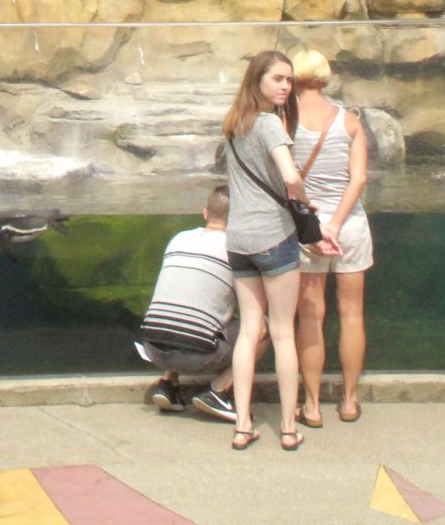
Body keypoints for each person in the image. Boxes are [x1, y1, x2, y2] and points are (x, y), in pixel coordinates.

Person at [221, 49, 333, 452]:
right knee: (283, 332)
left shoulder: (234, 123)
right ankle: (287, 427)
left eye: (289, 80)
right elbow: (289, 176)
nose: (286, 86)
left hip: (238, 238)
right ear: (258, 81)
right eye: (277, 79)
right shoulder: (269, 123)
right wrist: (306, 203)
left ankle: (242, 425)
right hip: (273, 236)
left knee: (248, 332)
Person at [288, 49, 372, 427]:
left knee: (310, 316)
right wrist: (337, 223)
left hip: (308, 230)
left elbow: (286, 179)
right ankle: (350, 400)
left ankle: (312, 405)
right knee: (352, 314)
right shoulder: (349, 120)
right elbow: (359, 178)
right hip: (349, 226)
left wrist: (321, 226)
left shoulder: (285, 121)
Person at [139, 184, 266, 422]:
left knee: (185, 308)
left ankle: (168, 383)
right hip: (195, 357)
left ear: (205, 213)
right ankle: (218, 391)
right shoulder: (237, 251)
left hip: (153, 348)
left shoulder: (178, 239)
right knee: (261, 327)